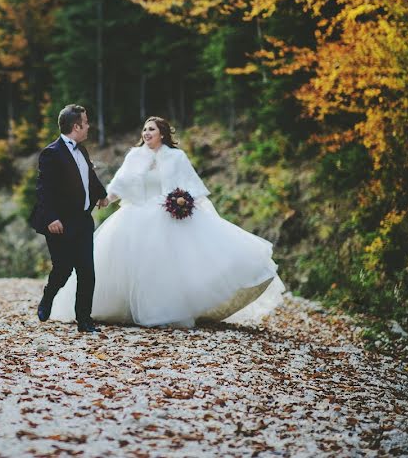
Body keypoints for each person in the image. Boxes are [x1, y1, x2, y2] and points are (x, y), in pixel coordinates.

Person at [50, 116, 284, 327]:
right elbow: (120, 184)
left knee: (168, 268)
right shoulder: (135, 155)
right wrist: (104, 200)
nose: (146, 133)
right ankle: (115, 309)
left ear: (162, 133)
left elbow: (193, 188)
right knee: (129, 266)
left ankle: (164, 311)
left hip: (168, 217)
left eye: (151, 129)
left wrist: (185, 201)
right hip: (135, 216)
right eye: (144, 129)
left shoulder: (176, 157)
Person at [28, 104, 108, 333]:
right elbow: (44, 190)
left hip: (83, 221)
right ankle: (48, 296)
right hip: (60, 224)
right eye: (86, 122)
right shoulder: (51, 153)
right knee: (63, 269)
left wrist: (101, 195)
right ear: (76, 126)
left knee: (87, 272)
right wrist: (51, 218)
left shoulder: (82, 151)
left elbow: (89, 178)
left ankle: (84, 320)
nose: (89, 126)